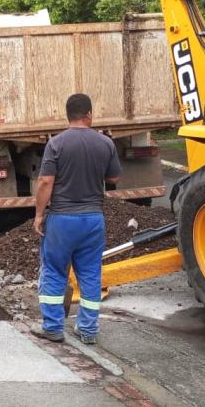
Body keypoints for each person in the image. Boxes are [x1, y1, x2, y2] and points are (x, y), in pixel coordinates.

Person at [30, 93, 121, 345]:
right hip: (93, 219)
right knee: (91, 274)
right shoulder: (105, 144)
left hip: (61, 219)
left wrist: (39, 215)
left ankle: (53, 327)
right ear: (89, 114)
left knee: (54, 271)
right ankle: (88, 330)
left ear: (67, 115)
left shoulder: (56, 144)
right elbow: (113, 178)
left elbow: (46, 181)